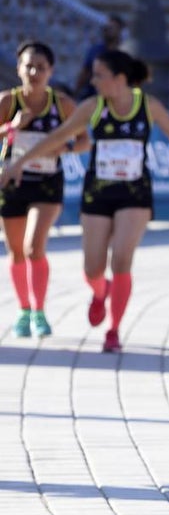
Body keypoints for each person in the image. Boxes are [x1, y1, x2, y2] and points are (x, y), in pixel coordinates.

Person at [0, 50, 169, 353]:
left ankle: (113, 330)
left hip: (134, 194)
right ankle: (100, 291)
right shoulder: (93, 106)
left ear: (118, 78)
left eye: (99, 75)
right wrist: (18, 162)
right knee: (92, 269)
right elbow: (59, 136)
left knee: (121, 261)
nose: (92, 80)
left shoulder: (148, 105)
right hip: (98, 193)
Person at [0, 40, 90, 338]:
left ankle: (39, 311)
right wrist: (11, 127)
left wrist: (62, 147)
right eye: (28, 66)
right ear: (19, 68)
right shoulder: (7, 102)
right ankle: (24, 310)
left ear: (50, 71)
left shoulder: (62, 104)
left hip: (47, 185)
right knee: (16, 253)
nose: (34, 72)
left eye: (41, 67)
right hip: (12, 183)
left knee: (33, 246)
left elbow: (84, 141)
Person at [74, 15, 125, 101]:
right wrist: (76, 91)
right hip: (94, 95)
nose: (107, 31)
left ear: (119, 30)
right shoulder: (95, 50)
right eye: (106, 28)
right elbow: (85, 72)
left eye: (111, 28)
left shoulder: (125, 51)